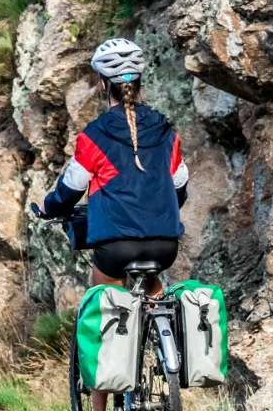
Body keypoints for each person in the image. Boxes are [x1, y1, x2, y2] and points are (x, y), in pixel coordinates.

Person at [36, 38, 189, 411]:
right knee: (152, 287)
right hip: (165, 243)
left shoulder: (96, 134)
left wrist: (51, 206)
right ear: (139, 82)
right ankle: (160, 337)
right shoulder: (166, 129)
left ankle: (99, 407)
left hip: (116, 245)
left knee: (102, 311)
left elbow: (72, 186)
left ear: (103, 84)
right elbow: (180, 185)